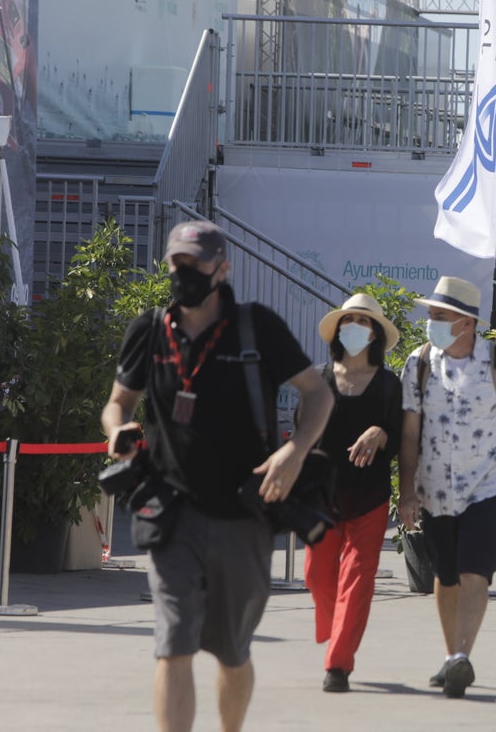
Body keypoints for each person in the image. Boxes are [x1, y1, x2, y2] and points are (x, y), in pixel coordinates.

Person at [101, 220, 333, 732]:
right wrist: (118, 431)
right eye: (176, 263)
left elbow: (319, 393)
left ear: (221, 268)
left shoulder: (256, 327)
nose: (183, 274)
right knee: (173, 644)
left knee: (231, 652)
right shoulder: (149, 329)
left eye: (195, 264)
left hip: (242, 514)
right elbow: (117, 403)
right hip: (170, 512)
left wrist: (294, 453)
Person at [397, 276, 496, 699]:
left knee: (475, 569)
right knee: (445, 574)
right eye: (431, 315)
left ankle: (463, 654)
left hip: (485, 485)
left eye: (440, 316)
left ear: (466, 323)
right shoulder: (418, 363)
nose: (431, 323)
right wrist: (406, 491)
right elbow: (409, 433)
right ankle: (453, 658)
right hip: (433, 488)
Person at [303, 293, 403, 692]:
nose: (354, 329)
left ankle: (338, 665)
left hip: (369, 498)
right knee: (316, 577)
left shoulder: (388, 384)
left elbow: (400, 437)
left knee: (357, 580)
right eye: (348, 322)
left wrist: (381, 433)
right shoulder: (319, 379)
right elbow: (302, 437)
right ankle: (336, 628)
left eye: (363, 323)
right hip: (321, 498)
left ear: (375, 334)